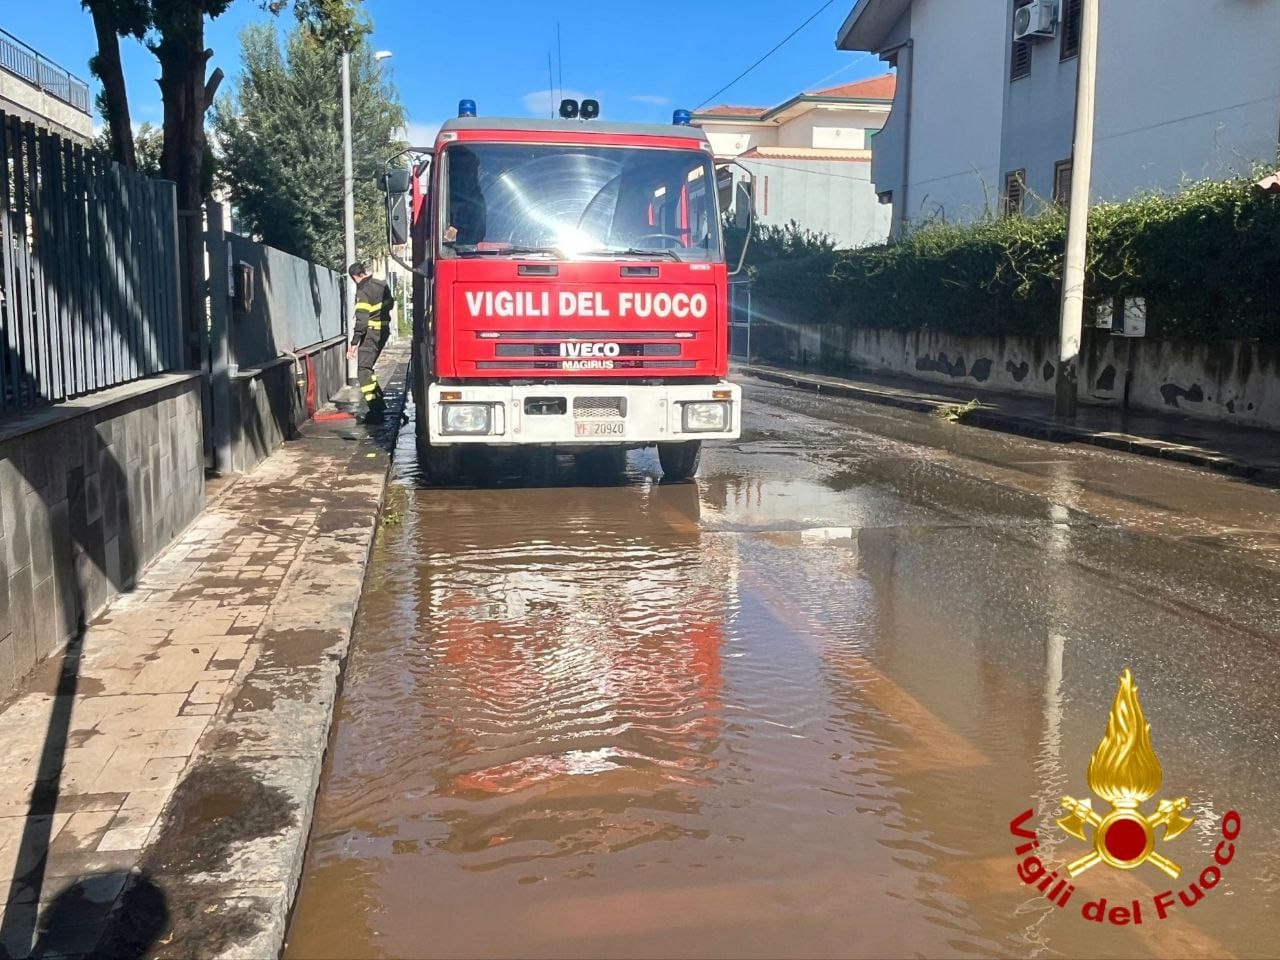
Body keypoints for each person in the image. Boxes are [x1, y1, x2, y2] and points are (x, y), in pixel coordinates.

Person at [347, 262, 395, 420]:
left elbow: (362, 320)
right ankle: (379, 403)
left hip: (371, 334)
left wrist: (354, 343)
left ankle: (375, 411)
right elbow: (391, 304)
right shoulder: (381, 285)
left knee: (363, 371)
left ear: (354, 277)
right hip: (383, 331)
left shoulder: (363, 290)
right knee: (368, 369)